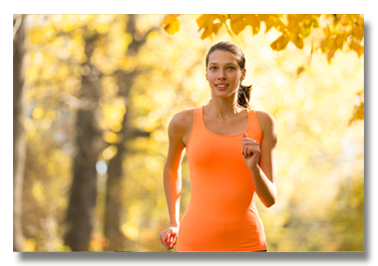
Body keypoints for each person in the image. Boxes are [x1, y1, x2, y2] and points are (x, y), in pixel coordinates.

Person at [158, 41, 277, 252]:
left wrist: (253, 168)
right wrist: (174, 222)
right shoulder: (183, 122)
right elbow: (171, 169)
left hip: (248, 244)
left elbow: (269, 200)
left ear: (242, 73)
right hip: (194, 243)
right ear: (206, 74)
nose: (221, 75)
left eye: (230, 68)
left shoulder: (263, 123)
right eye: (214, 68)